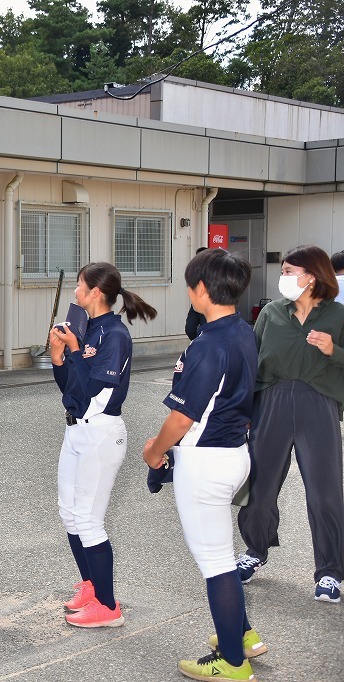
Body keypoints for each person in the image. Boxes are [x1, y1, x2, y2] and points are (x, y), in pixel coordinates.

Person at [143, 248, 265, 680]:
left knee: (215, 562)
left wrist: (154, 451)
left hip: (205, 461)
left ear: (200, 289)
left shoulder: (208, 344)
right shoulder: (243, 331)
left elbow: (181, 418)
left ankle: (233, 662)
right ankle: (243, 636)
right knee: (221, 555)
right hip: (234, 454)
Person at [49, 262, 156, 628]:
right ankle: (92, 587)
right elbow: (71, 388)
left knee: (90, 521)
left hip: (102, 432)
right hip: (76, 429)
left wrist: (76, 350)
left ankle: (109, 607)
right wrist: (58, 356)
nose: (75, 291)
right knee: (70, 514)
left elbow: (97, 390)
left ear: (96, 292)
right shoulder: (87, 327)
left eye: (79, 285)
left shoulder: (114, 335)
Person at [235, 245, 344, 604]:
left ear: (312, 276)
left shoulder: (338, 316)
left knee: (324, 491)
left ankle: (329, 572)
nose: (283, 278)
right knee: (260, 487)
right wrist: (245, 412)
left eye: (289, 272)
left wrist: (334, 351)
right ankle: (255, 550)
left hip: (319, 404)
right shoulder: (271, 313)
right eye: (282, 271)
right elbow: (252, 362)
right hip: (271, 403)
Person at [185, 247, 208, 340]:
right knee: (189, 329)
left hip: (207, 305)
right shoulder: (194, 270)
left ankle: (203, 347)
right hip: (195, 304)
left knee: (205, 330)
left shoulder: (213, 272)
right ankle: (198, 344)